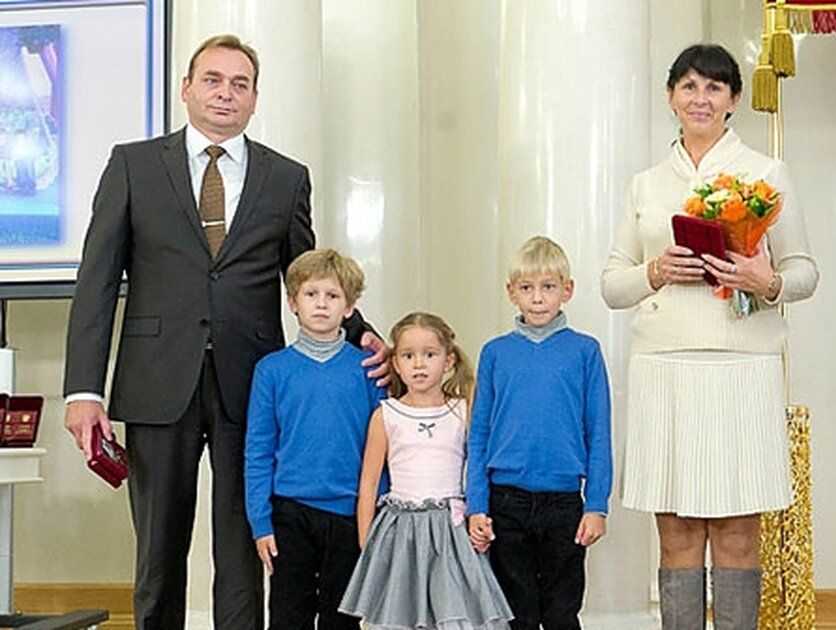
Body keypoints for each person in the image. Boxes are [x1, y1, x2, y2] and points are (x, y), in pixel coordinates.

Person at [61, 35, 387, 630]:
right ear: (186, 89)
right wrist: (83, 390)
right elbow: (97, 281)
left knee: (245, 547)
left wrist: (361, 332)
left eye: (240, 84)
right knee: (158, 552)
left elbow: (307, 273)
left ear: (255, 98)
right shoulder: (133, 165)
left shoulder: (286, 177)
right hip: (156, 381)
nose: (225, 94)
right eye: (212, 80)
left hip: (253, 385)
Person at [600, 44, 818, 629]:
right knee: (675, 531)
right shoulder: (646, 184)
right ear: (671, 97)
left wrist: (764, 281)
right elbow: (612, 285)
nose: (701, 98)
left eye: (714, 87)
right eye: (689, 86)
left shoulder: (766, 174)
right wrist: (654, 271)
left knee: (738, 531)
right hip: (664, 366)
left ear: (734, 100)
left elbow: (805, 272)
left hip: (742, 368)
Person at [466, 236, 612, 630]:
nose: (537, 298)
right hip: (506, 502)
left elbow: (599, 433)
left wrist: (596, 505)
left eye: (548, 287)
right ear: (511, 292)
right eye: (527, 287)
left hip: (564, 503)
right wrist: (477, 505)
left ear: (567, 290)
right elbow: (478, 435)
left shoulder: (585, 351)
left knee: (562, 612)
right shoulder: (495, 353)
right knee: (518, 614)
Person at [339, 311, 513, 629]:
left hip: (451, 531)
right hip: (400, 531)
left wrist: (479, 516)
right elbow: (369, 484)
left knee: (454, 612)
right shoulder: (386, 415)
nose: (419, 364)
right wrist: (367, 541)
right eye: (408, 356)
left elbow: (478, 470)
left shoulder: (463, 410)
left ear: (448, 361)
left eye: (429, 355)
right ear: (395, 363)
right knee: (401, 614)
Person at [243, 249, 384, 628]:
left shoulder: (368, 370)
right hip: (289, 515)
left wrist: (376, 516)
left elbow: (384, 451)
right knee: (289, 617)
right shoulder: (271, 371)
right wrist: (261, 523)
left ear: (349, 308)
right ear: (293, 302)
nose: (321, 303)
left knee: (342, 620)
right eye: (311, 294)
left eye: (332, 295)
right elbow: (258, 452)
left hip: (351, 515)